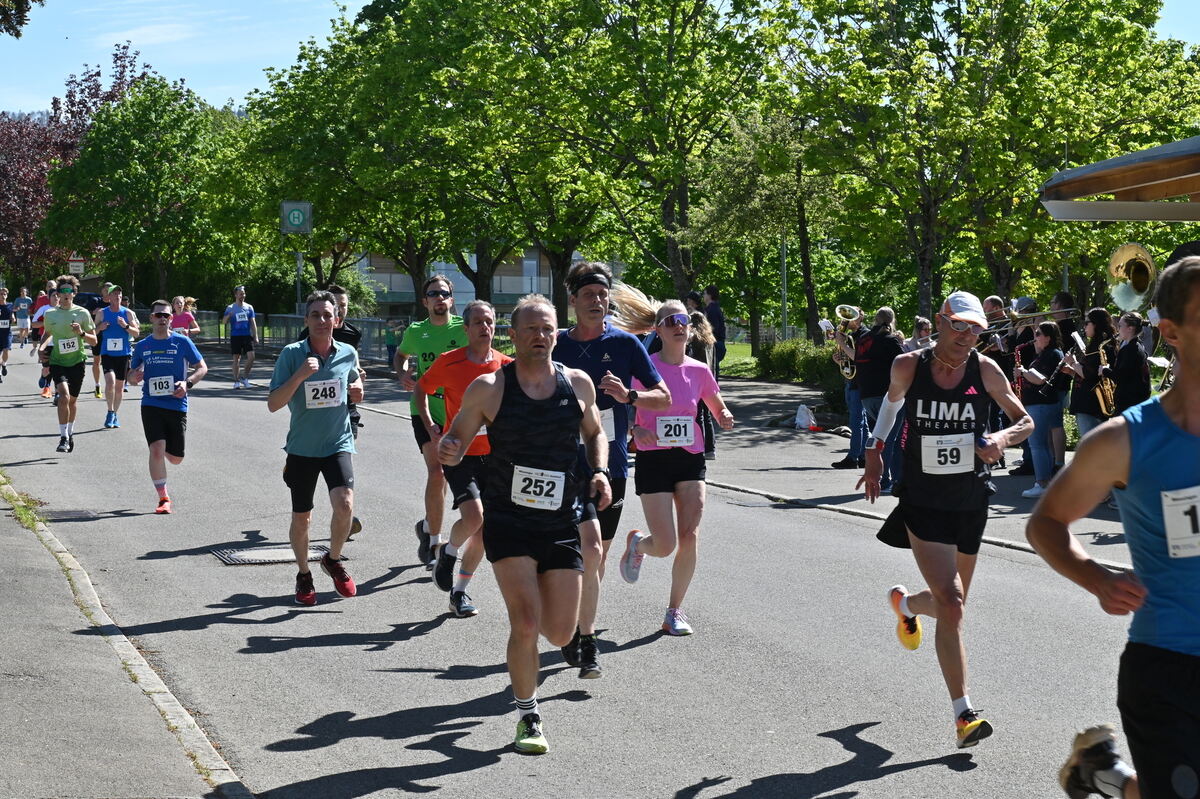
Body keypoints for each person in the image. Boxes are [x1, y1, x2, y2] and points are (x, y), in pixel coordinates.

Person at [1026, 256, 1200, 799]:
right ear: (1169, 333)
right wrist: (1097, 578)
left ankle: (1101, 772)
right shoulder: (1124, 440)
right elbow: (1046, 524)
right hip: (1170, 667)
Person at [437, 293, 611, 755]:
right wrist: (450, 448)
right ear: (513, 335)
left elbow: (595, 434)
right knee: (527, 622)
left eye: (549, 328)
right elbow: (456, 436)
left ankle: (552, 655)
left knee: (558, 632)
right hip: (509, 520)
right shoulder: (490, 387)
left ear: (558, 332)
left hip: (560, 521)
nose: (541, 336)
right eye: (531, 329)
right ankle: (528, 714)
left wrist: (598, 471)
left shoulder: (577, 384)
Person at [859, 290, 1031, 749]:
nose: (967, 335)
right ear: (940, 321)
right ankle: (964, 715)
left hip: (971, 499)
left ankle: (907, 606)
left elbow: (1025, 419)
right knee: (953, 605)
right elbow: (892, 407)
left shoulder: (986, 369)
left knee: (952, 610)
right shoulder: (907, 366)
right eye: (959, 326)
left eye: (976, 328)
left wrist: (1003, 437)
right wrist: (875, 452)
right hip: (923, 500)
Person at [553, 263, 671, 678]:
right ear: (573, 300)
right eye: (589, 295)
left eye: (603, 295)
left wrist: (630, 395)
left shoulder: (624, 345)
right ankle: (576, 628)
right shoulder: (555, 344)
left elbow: (663, 395)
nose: (598, 301)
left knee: (596, 553)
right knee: (571, 552)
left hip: (611, 465)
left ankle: (581, 633)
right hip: (559, 466)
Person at [613, 291, 735, 635]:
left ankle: (674, 611)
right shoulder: (644, 369)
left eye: (684, 321)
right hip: (654, 460)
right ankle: (639, 544)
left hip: (690, 458)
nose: (679, 326)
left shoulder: (699, 370)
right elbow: (624, 409)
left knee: (690, 535)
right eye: (671, 322)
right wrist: (637, 429)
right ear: (659, 329)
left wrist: (724, 414)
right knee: (665, 545)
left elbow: (714, 403)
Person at [267, 291, 363, 606]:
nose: (322, 321)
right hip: (302, 449)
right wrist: (300, 375)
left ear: (337, 319)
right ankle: (304, 573)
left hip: (337, 443)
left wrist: (359, 389)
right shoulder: (291, 354)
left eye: (327, 315)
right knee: (302, 518)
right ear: (306, 320)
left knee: (345, 504)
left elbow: (354, 386)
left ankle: (333, 560)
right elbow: (273, 403)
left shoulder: (347, 352)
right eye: (315, 315)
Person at [421, 300, 513, 617]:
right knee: (474, 518)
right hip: (459, 454)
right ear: (466, 328)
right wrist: (430, 425)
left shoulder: (506, 366)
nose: (485, 327)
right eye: (478, 322)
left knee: (485, 531)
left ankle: (459, 592)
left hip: (496, 457)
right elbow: (421, 388)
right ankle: (448, 551)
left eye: (489, 322)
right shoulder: (449, 362)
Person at [398, 275, 464, 569]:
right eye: (433, 294)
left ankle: (426, 526)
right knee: (436, 472)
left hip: (458, 413)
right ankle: (435, 541)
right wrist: (402, 373)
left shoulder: (464, 328)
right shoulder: (416, 331)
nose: (439, 298)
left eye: (444, 293)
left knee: (452, 475)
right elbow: (401, 354)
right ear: (425, 301)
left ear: (452, 299)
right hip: (423, 409)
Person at [127, 299, 207, 513]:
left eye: (166, 315)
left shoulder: (182, 343)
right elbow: (130, 376)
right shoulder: (143, 346)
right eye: (158, 315)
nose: (163, 319)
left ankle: (165, 451)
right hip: (151, 403)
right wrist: (135, 376)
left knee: (176, 458)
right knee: (156, 450)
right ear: (151, 318)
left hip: (176, 404)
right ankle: (163, 498)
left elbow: (202, 367)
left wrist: (187, 383)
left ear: (171, 319)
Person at [41, 275, 98, 452]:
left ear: (74, 293)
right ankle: (63, 437)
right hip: (57, 361)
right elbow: (47, 334)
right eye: (63, 291)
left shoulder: (82, 313)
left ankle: (70, 432)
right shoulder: (50, 314)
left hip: (77, 361)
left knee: (72, 401)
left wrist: (81, 333)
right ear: (57, 294)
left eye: (70, 291)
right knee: (63, 396)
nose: (66, 294)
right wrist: (42, 349)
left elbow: (94, 341)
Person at [856, 307, 906, 491]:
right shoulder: (890, 340)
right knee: (892, 440)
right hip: (888, 396)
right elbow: (904, 364)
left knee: (877, 438)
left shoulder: (863, 339)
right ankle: (888, 480)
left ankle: (881, 477)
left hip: (866, 396)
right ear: (892, 320)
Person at [1017, 321, 1064, 499]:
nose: (1034, 337)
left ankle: (1042, 483)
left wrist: (1022, 372)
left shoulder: (1051, 354)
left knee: (1037, 445)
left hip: (1041, 404)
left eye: (1038, 334)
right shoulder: (1049, 353)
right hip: (1044, 404)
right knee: (1043, 445)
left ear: (1047, 337)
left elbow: (1040, 379)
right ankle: (1046, 482)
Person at [1062, 308, 1118, 440]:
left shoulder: (1102, 346)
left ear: (1096, 324)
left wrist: (1073, 362)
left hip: (1091, 403)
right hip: (1086, 401)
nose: (1084, 326)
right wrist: (1072, 371)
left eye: (1087, 322)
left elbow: (1089, 374)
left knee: (1089, 444)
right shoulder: (1095, 345)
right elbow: (1086, 374)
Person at [96, 286, 140, 429]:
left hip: (123, 354)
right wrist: (100, 328)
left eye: (119, 294)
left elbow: (136, 333)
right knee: (110, 382)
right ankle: (109, 412)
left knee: (119, 388)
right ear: (109, 297)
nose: (118, 296)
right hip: (107, 353)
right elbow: (93, 332)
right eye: (114, 294)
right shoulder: (102, 313)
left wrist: (126, 326)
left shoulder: (127, 313)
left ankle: (115, 413)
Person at [831, 307, 869, 469]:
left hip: (860, 382)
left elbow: (858, 357)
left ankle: (853, 457)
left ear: (860, 318)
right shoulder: (851, 336)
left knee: (856, 422)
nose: (848, 319)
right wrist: (839, 360)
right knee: (862, 422)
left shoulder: (865, 334)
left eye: (853, 316)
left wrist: (842, 344)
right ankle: (863, 456)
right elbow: (849, 359)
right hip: (851, 380)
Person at [1103, 312, 1152, 415]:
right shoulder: (1138, 346)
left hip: (1128, 404)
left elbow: (1120, 377)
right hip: (1134, 402)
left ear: (1130, 328)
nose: (1118, 329)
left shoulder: (1130, 350)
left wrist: (1104, 370)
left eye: (1120, 326)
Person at [222, 285, 258, 388]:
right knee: (236, 359)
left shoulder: (249, 307)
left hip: (247, 335)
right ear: (236, 295)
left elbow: (253, 322)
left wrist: (256, 336)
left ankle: (245, 378)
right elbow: (224, 322)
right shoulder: (230, 307)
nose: (243, 295)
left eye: (244, 294)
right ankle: (236, 381)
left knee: (251, 357)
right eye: (241, 294)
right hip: (236, 336)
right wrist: (229, 315)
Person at [89, 283, 114, 398]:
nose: (108, 292)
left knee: (111, 360)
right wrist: (97, 311)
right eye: (106, 290)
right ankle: (97, 385)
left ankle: (112, 384)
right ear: (102, 291)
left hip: (111, 336)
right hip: (98, 333)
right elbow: (90, 313)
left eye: (110, 290)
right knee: (97, 360)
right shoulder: (96, 301)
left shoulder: (114, 303)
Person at [703, 285, 727, 380]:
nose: (703, 296)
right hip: (717, 343)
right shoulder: (715, 308)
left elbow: (713, 329)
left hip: (714, 344)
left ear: (710, 295)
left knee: (711, 372)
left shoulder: (711, 310)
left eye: (705, 294)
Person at [0, 287, 12, 382]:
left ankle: (4, 364)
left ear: (7, 295)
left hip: (7, 333)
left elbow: (12, 315)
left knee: (6, 351)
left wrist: (13, 318)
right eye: (1, 294)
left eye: (4, 294)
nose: (3, 296)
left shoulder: (10, 305)